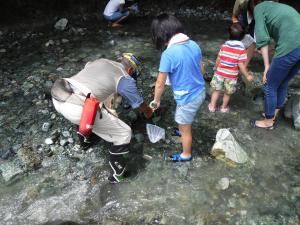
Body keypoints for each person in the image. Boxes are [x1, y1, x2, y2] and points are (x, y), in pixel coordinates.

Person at [51, 53, 153, 183]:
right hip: (77, 108)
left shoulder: (101, 61)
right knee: (124, 133)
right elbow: (139, 105)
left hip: (59, 94)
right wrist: (149, 111)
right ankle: (117, 175)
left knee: (96, 103)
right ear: (131, 70)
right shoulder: (125, 78)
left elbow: (90, 73)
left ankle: (87, 141)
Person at [150, 14, 206, 162]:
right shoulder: (194, 44)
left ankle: (186, 155)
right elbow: (202, 68)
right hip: (200, 91)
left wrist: (156, 101)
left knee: (185, 129)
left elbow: (160, 83)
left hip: (188, 98)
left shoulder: (168, 54)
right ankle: (182, 126)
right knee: (182, 115)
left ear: (161, 34)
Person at [249, 1, 300, 129]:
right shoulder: (278, 7)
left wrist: (267, 66)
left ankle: (268, 121)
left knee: (269, 85)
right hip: (296, 45)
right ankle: (273, 113)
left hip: (291, 45)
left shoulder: (259, 8)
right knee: (283, 82)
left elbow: (262, 39)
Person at [208, 23, 254, 113]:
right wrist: (247, 75)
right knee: (227, 93)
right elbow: (241, 65)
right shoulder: (241, 50)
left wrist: (215, 67)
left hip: (219, 73)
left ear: (229, 34)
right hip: (231, 76)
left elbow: (218, 58)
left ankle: (212, 106)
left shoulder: (224, 46)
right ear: (242, 37)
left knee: (216, 90)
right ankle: (223, 107)